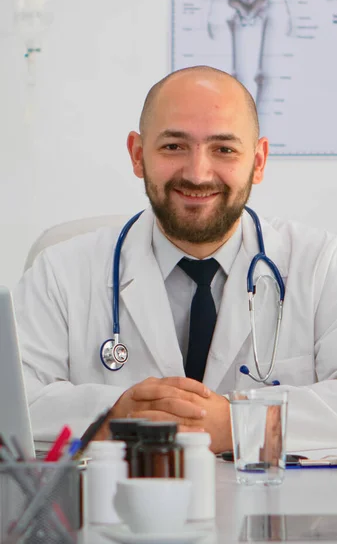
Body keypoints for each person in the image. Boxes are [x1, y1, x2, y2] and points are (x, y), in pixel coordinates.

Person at [14, 66, 337, 454]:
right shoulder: (61, 272)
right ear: (137, 155)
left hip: (276, 514)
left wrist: (242, 423)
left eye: (224, 149)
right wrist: (112, 417)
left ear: (258, 161)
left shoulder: (320, 266)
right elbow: (13, 401)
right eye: (173, 146)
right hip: (118, 512)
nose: (198, 174)